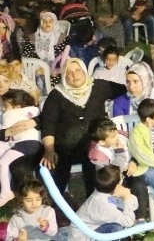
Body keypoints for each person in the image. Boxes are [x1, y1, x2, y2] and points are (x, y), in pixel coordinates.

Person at [39, 57, 126, 193]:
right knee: (57, 171)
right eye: (69, 72)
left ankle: (95, 201)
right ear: (64, 76)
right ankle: (55, 206)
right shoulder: (57, 95)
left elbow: (126, 89)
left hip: (95, 143)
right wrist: (49, 149)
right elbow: (48, 122)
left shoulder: (98, 86)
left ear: (85, 71)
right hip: (65, 147)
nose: (74, 75)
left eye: (78, 70)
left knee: (93, 161)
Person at [87, 117, 151, 220]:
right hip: (113, 180)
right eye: (113, 136)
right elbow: (113, 172)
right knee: (118, 195)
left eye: (116, 132)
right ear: (102, 142)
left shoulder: (123, 135)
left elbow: (136, 151)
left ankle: (141, 219)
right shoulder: (97, 154)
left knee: (139, 185)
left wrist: (133, 162)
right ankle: (124, 221)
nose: (117, 137)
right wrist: (119, 152)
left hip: (131, 170)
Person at [70, 165, 138, 241]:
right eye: (121, 176)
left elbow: (134, 205)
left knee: (120, 223)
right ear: (117, 185)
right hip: (84, 237)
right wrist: (127, 198)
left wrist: (127, 196)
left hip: (93, 229)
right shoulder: (104, 205)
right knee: (117, 229)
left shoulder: (103, 190)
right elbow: (128, 221)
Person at [0, 90, 39, 206]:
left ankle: (6, 191)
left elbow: (4, 131)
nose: (4, 109)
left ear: (17, 106)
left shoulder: (9, 115)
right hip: (34, 144)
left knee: (3, 162)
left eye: (6, 106)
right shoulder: (34, 110)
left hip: (24, 144)